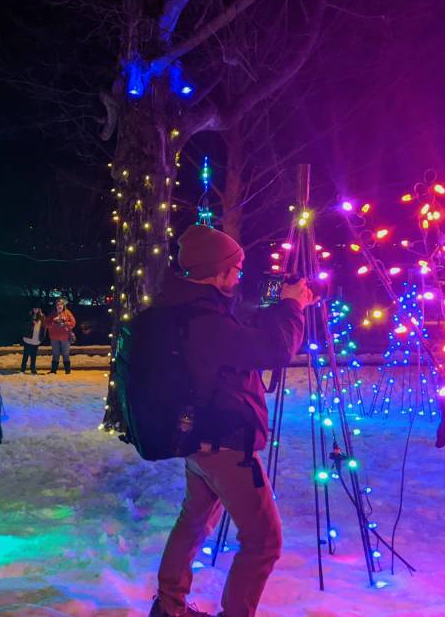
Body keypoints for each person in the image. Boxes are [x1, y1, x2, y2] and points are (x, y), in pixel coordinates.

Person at [147, 225, 311, 617]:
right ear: (216, 272)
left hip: (199, 441)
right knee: (263, 541)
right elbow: (272, 349)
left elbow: (239, 338)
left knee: (193, 523)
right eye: (235, 269)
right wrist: (291, 308)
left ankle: (168, 608)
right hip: (225, 445)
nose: (239, 276)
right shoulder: (205, 320)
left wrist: (279, 307)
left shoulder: (188, 307)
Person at [45, 298, 76, 375]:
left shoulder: (67, 313)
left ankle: (67, 371)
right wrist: (53, 322)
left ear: (63, 305)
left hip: (65, 338)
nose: (59, 306)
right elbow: (46, 324)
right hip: (54, 338)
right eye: (58, 305)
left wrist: (65, 324)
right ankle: (53, 370)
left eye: (61, 304)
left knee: (66, 354)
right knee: (55, 353)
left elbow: (73, 322)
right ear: (55, 306)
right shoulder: (52, 314)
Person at [21, 308, 42, 374]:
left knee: (34, 355)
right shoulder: (29, 315)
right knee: (26, 354)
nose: (36, 310)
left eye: (37, 309)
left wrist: (42, 337)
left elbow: (44, 326)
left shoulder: (42, 316)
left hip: (36, 339)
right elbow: (24, 324)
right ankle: (23, 368)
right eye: (34, 308)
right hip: (28, 338)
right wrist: (31, 322)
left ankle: (33, 368)